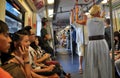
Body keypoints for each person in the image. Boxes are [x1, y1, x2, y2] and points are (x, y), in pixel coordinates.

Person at [76, 5, 112, 78]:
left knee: (93, 63)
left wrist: (76, 13)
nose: (100, 12)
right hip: (101, 42)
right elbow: (104, 15)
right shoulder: (102, 19)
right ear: (97, 11)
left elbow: (76, 21)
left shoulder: (87, 20)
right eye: (99, 10)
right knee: (103, 63)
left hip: (92, 43)